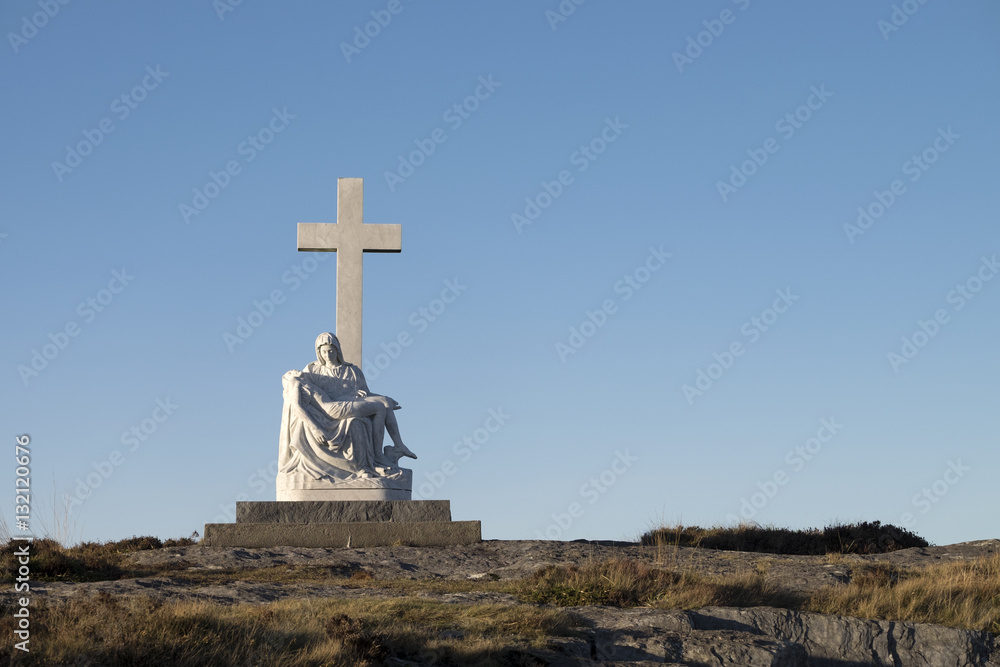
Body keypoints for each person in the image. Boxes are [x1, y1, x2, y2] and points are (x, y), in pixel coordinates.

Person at [278, 333, 415, 483]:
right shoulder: (305, 376)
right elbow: (296, 405)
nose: (328, 355)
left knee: (386, 403)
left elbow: (364, 394)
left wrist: (380, 397)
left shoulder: (352, 371)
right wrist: (316, 427)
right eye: (324, 352)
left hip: (339, 406)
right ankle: (378, 457)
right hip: (330, 411)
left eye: (331, 351)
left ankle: (398, 446)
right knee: (376, 410)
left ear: (338, 350)